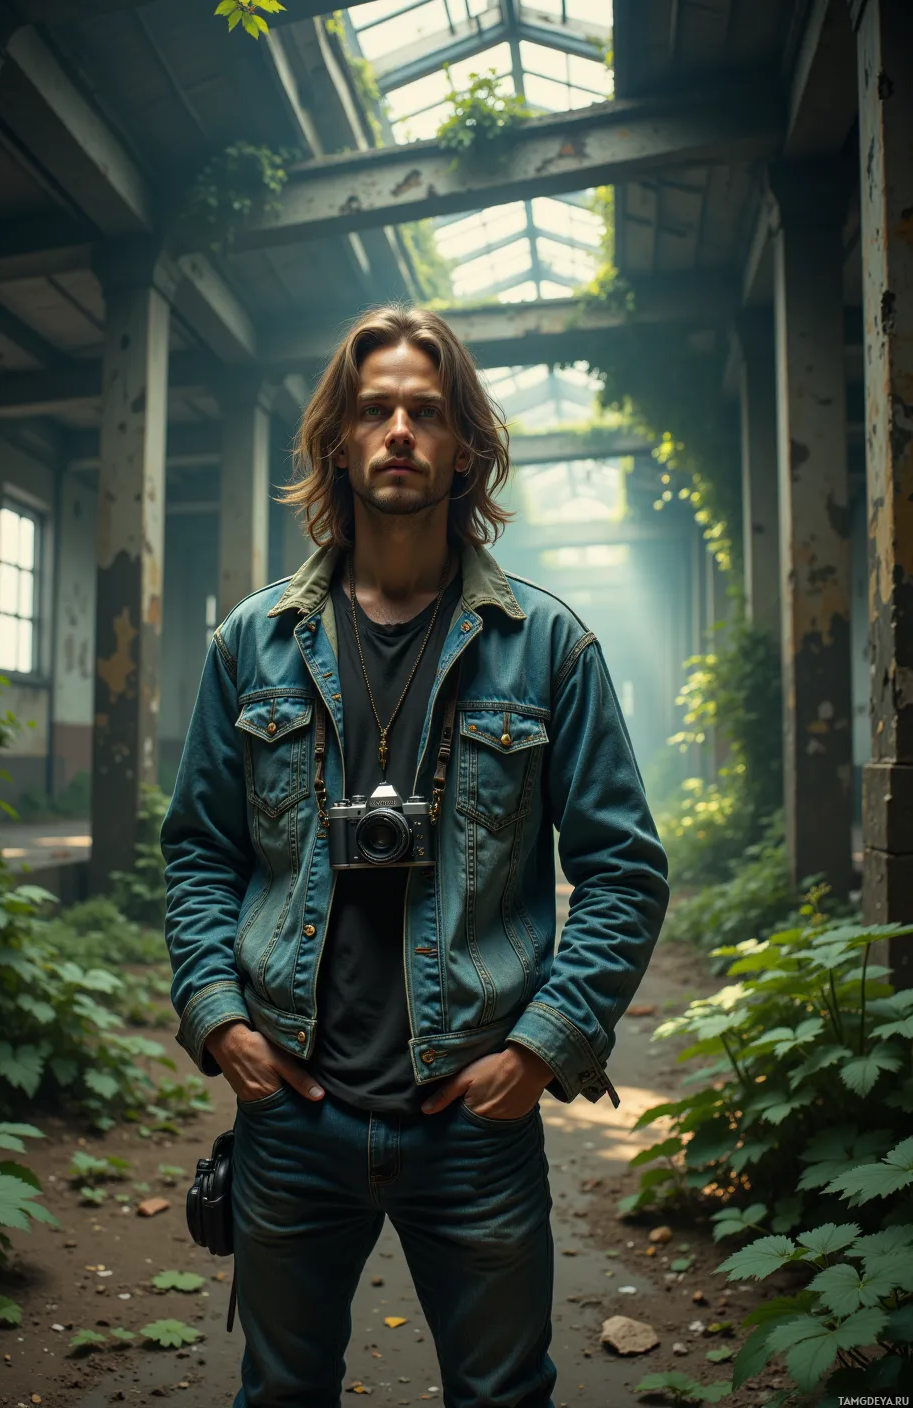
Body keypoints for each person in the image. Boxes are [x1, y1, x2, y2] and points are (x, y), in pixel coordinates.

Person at [161, 304, 669, 1408]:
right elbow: (200, 849)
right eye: (374, 410)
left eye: (427, 412)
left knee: (501, 1395)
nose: (399, 431)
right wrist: (219, 1017)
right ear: (337, 442)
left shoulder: (547, 647)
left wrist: (539, 1049)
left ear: (465, 447)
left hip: (474, 1112)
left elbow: (624, 871)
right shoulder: (252, 643)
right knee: (280, 1393)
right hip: (291, 1107)